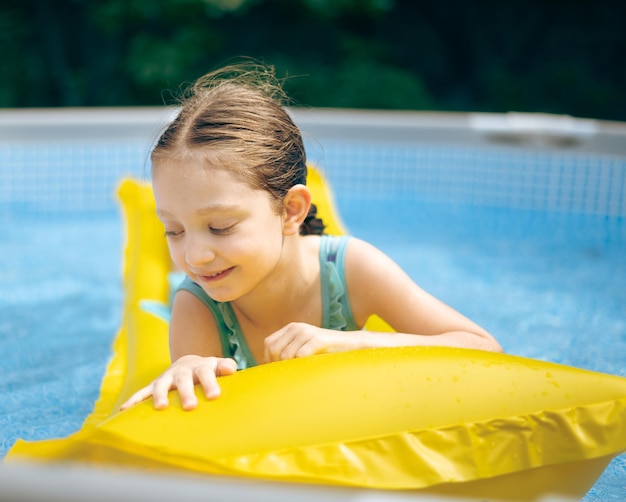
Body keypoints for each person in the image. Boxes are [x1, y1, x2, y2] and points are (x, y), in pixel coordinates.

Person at [120, 62, 502, 412]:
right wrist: (189, 364)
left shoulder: (350, 269)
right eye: (174, 230)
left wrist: (354, 343)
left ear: (291, 210)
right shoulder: (198, 303)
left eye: (221, 227)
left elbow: (485, 350)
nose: (196, 256)